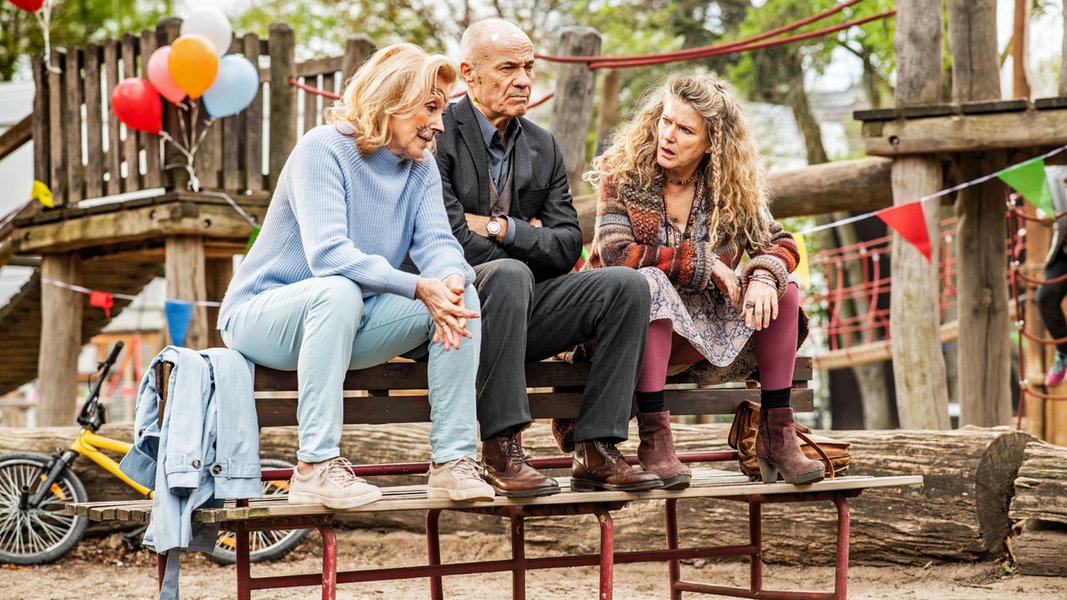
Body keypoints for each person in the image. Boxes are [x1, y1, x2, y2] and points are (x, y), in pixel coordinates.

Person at [217, 43, 494, 509]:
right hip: (263, 317)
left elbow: (438, 244)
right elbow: (328, 254)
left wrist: (446, 279)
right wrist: (415, 285)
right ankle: (315, 466)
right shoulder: (322, 148)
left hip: (348, 319)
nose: (439, 124)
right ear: (392, 99)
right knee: (339, 290)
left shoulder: (420, 167)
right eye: (430, 107)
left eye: (442, 110)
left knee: (459, 292)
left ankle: (452, 460)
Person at [433, 18, 663, 495]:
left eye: (529, 67)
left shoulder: (542, 143)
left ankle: (595, 445)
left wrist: (499, 226)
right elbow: (449, 238)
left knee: (627, 285)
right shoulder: (440, 135)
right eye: (507, 68)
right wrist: (525, 241)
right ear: (469, 74)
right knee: (509, 272)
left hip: (527, 305)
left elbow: (564, 248)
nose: (523, 79)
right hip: (455, 313)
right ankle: (500, 447)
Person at [584, 73, 825, 486]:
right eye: (665, 121)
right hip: (628, 333)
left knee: (783, 289)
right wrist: (703, 262)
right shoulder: (622, 172)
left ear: (712, 143)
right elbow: (617, 255)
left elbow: (781, 243)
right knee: (650, 285)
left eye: (685, 129)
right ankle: (656, 440)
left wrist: (765, 276)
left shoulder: (730, 187)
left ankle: (777, 432)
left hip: (701, 337)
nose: (668, 135)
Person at [1036, 165, 1067, 386]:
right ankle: (1064, 353)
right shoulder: (1053, 171)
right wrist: (1047, 215)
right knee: (1045, 297)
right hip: (1064, 251)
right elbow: (1042, 213)